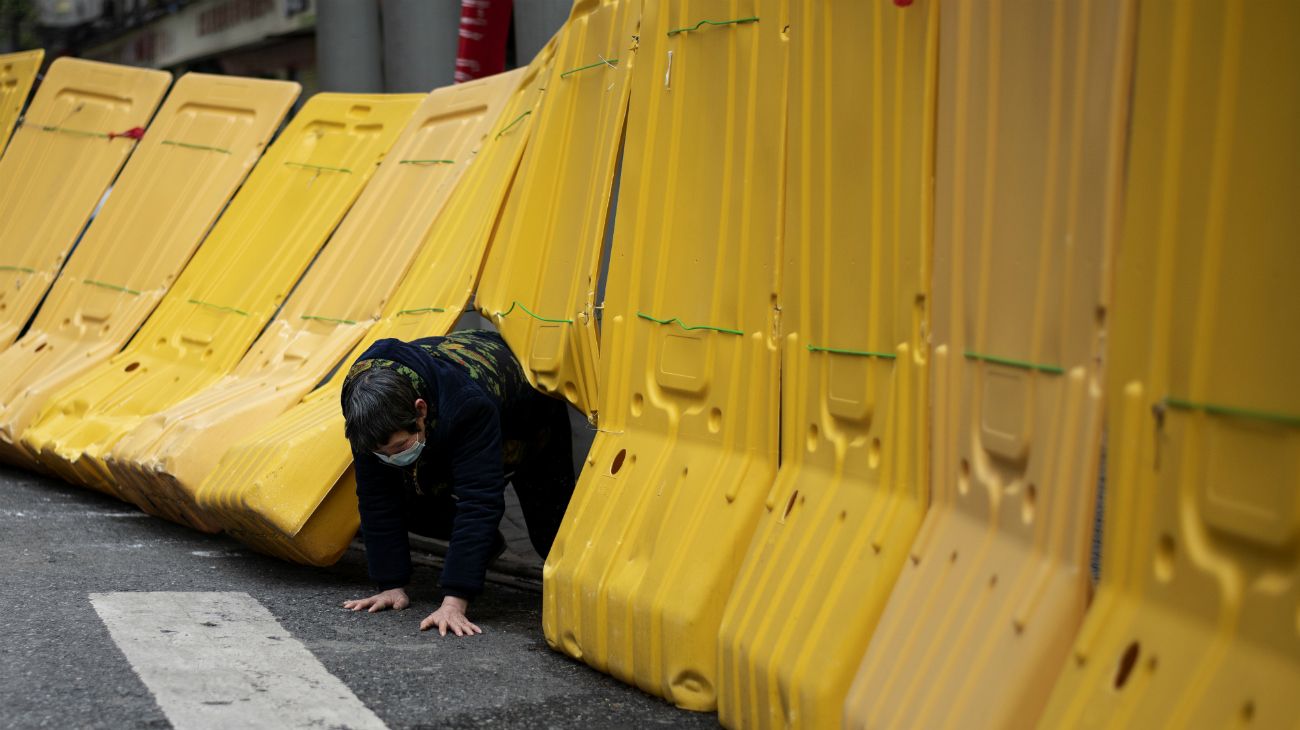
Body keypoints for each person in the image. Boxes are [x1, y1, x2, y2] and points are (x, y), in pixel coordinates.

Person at [337, 330, 576, 636]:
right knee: (406, 488)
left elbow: (480, 501)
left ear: (420, 411)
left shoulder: (466, 405)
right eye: (381, 453)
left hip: (528, 412)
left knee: (551, 534)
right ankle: (484, 547)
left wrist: (454, 601)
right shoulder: (364, 408)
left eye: (399, 448)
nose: (391, 458)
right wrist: (390, 584)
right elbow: (376, 497)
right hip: (444, 407)